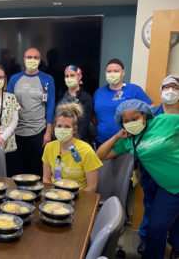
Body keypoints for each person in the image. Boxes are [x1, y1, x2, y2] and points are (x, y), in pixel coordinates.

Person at [96, 99, 179, 259]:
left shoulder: (165, 121)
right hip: (169, 189)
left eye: (135, 119)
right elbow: (101, 155)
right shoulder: (129, 141)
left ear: (144, 115)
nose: (131, 123)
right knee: (155, 229)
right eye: (126, 121)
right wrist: (117, 136)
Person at [137, 74, 179, 255]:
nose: (170, 90)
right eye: (166, 87)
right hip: (152, 174)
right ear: (161, 90)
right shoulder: (150, 115)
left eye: (175, 87)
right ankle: (147, 240)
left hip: (174, 174)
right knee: (152, 211)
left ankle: (176, 246)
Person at [7, 47, 55, 175]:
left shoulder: (47, 79)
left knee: (34, 171)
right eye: (29, 57)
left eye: (35, 57)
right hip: (16, 132)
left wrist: (48, 132)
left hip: (37, 132)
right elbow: (8, 106)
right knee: (16, 171)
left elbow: (50, 106)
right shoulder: (14, 79)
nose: (32, 60)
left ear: (40, 61)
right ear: (24, 60)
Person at [42, 103, 102, 191]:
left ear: (74, 129)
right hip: (54, 195)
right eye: (59, 126)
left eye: (67, 127)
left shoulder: (86, 151)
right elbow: (46, 179)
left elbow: (92, 187)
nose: (62, 129)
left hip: (78, 198)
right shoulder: (49, 148)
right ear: (54, 128)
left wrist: (70, 198)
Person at [93, 58, 152, 145]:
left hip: (126, 141)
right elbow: (94, 116)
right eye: (109, 71)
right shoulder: (98, 93)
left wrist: (137, 127)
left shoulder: (134, 90)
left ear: (123, 73)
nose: (112, 73)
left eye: (116, 71)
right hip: (102, 141)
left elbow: (151, 110)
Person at [57, 65, 93, 142]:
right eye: (67, 76)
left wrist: (74, 140)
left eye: (72, 75)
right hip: (60, 137)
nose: (69, 78)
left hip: (78, 140)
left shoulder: (86, 98)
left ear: (79, 76)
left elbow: (85, 124)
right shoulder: (61, 94)